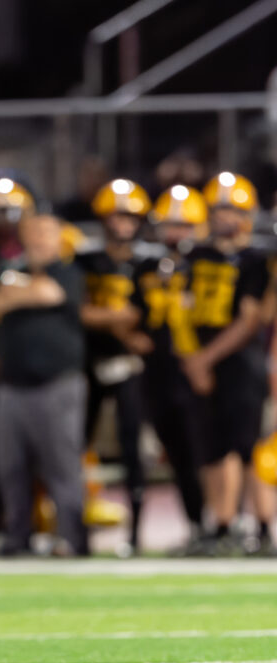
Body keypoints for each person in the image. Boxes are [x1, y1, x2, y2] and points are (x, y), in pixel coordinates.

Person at [0, 214, 88, 556]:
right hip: (11, 385)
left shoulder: (68, 271)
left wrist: (10, 294)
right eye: (33, 233)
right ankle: (17, 536)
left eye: (45, 234)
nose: (38, 240)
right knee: (11, 466)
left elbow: (49, 293)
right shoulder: (5, 268)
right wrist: (22, 293)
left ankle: (72, 537)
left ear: (58, 239)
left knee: (62, 465)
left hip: (58, 383)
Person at [183, 172, 269, 554]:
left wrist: (205, 358)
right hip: (203, 362)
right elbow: (178, 313)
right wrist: (192, 360)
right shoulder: (195, 257)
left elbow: (251, 320)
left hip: (241, 364)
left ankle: (256, 527)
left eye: (232, 209)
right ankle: (222, 524)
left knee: (245, 448)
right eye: (218, 209)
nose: (224, 217)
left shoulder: (256, 260)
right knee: (212, 447)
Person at [75, 179, 154, 552]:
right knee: (77, 446)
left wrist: (107, 318)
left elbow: (146, 315)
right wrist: (120, 323)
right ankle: (77, 530)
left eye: (130, 216)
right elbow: (79, 312)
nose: (123, 223)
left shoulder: (149, 261)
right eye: (117, 215)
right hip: (89, 362)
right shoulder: (86, 259)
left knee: (131, 448)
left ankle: (136, 533)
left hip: (132, 365)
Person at [132, 185, 209, 546]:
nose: (176, 233)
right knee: (177, 453)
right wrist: (129, 336)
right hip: (158, 373)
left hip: (197, 370)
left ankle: (220, 523)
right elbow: (129, 312)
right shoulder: (146, 266)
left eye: (184, 225)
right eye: (170, 224)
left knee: (206, 451)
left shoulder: (207, 265)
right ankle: (196, 525)